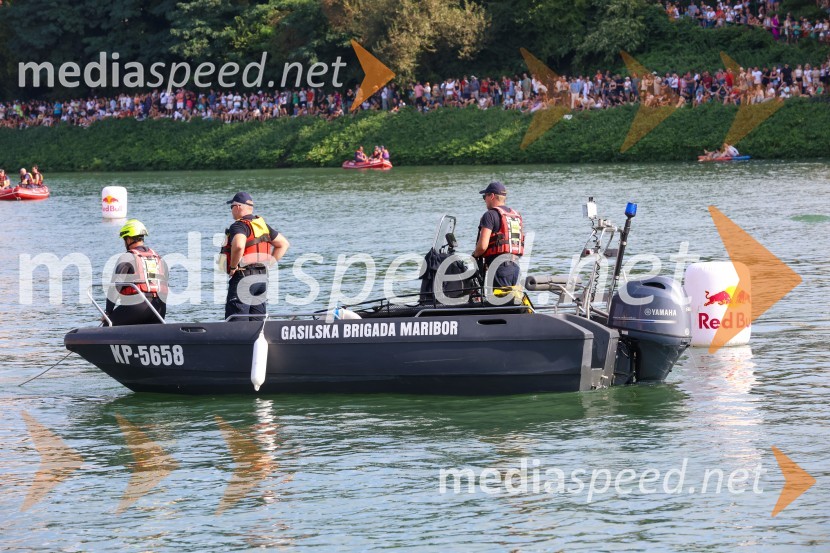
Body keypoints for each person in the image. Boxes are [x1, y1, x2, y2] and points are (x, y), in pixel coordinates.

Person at [220, 192, 289, 321]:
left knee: (236, 322)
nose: (231, 210)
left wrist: (233, 267)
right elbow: (283, 244)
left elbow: (239, 246)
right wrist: (269, 263)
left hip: (244, 277)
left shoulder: (239, 225)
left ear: (238, 207)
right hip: (262, 278)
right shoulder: (262, 226)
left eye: (231, 207)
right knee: (257, 322)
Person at [105, 219, 168, 326]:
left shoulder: (127, 257)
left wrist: (108, 312)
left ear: (129, 239)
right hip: (159, 309)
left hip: (136, 308)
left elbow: (115, 287)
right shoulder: (159, 258)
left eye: (124, 239)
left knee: (107, 324)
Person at [472, 181, 525, 289]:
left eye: (484, 197)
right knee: (512, 298)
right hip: (515, 267)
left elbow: (482, 246)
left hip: (500, 269)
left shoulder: (490, 215)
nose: (484, 200)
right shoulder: (515, 215)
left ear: (491, 196)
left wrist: (475, 256)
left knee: (498, 298)